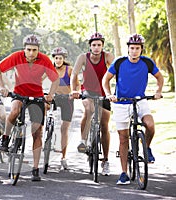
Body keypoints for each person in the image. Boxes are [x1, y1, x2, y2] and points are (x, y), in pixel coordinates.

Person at [0, 34, 59, 181]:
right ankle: (5, 137)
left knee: (37, 132)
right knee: (15, 110)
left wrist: (51, 95)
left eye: (34, 50)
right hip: (19, 94)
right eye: (28, 49)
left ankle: (35, 168)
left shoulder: (44, 60)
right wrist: (2, 87)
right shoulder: (16, 56)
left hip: (37, 96)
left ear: (38, 50)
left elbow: (55, 79)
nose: (31, 53)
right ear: (24, 49)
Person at [102, 33, 164, 184]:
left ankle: (146, 148)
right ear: (128, 49)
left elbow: (159, 77)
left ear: (141, 49)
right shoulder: (119, 62)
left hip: (140, 101)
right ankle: (124, 173)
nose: (134, 51)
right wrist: (110, 94)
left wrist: (158, 91)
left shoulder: (147, 63)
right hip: (121, 103)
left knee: (150, 125)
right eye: (132, 48)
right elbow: (106, 80)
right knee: (123, 139)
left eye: (137, 48)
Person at [70, 32, 114, 176]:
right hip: (87, 91)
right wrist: (73, 90)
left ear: (102, 46)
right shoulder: (83, 57)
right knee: (88, 109)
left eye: (99, 45)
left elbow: (117, 72)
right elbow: (74, 75)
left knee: (104, 125)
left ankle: (106, 160)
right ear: (90, 46)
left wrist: (115, 92)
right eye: (94, 45)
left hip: (104, 93)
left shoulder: (107, 57)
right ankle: (83, 140)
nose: (96, 48)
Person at [50, 47, 74, 170]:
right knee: (44, 105)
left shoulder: (69, 70)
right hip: (54, 98)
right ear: (53, 59)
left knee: (64, 128)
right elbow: (40, 79)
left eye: (60, 58)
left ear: (64, 59)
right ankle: (46, 131)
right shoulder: (50, 69)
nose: (58, 60)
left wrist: (75, 91)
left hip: (67, 99)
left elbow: (76, 83)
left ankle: (63, 157)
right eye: (56, 58)